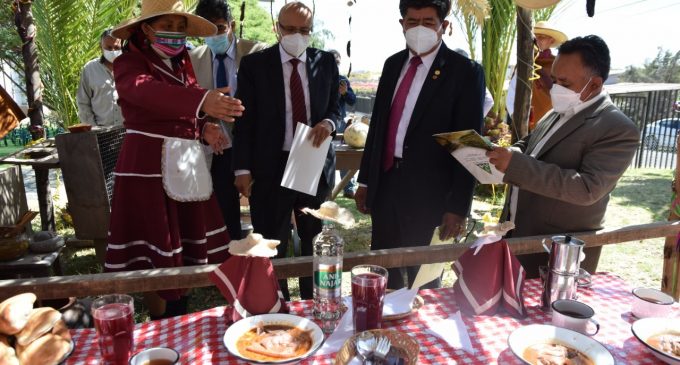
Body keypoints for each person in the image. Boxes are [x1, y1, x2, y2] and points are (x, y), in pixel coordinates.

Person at [106, 0, 245, 319]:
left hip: (186, 166)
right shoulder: (128, 63)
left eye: (182, 28)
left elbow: (185, 112)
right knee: (156, 253)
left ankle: (176, 319)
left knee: (181, 250)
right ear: (146, 28)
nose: (176, 35)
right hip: (146, 168)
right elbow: (146, 93)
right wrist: (202, 100)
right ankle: (159, 324)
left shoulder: (183, 62)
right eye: (169, 26)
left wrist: (204, 128)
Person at [354, 0, 485, 290]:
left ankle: (422, 334)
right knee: (382, 273)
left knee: (423, 282)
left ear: (444, 26)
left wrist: (458, 206)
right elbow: (377, 129)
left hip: (432, 196)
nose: (419, 28)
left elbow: (468, 145)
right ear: (402, 24)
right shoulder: (391, 65)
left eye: (428, 21)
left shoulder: (465, 72)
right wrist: (365, 181)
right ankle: (384, 330)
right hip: (387, 186)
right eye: (413, 21)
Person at [487, 35, 641, 279]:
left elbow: (586, 189)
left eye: (564, 83)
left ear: (594, 84)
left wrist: (515, 164)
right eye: (554, 80)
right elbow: (531, 145)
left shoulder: (617, 128)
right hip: (519, 235)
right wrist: (507, 153)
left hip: (558, 254)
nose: (555, 88)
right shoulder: (559, 111)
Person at [233, 1, 339, 300]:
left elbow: (336, 105)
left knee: (313, 238)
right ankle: (277, 301)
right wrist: (242, 168)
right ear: (277, 29)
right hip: (270, 166)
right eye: (290, 29)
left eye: (304, 30)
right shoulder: (255, 66)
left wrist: (330, 122)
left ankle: (314, 299)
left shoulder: (325, 63)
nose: (297, 36)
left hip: (312, 162)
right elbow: (245, 120)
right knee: (270, 239)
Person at [190, 0, 267, 240]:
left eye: (220, 28)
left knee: (264, 211)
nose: (214, 35)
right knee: (225, 214)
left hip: (255, 147)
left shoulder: (257, 52)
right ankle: (230, 262)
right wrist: (211, 110)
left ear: (232, 25)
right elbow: (191, 105)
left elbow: (270, 101)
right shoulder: (193, 59)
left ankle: (263, 264)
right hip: (220, 149)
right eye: (207, 31)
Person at [506, 21, 567, 131]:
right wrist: (517, 117)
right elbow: (512, 91)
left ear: (551, 40)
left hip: (555, 121)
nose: (537, 40)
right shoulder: (523, 64)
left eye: (542, 37)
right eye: (535, 37)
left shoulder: (558, 64)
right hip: (526, 123)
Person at [76, 29, 124, 127]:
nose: (113, 51)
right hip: (102, 131)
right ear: (100, 47)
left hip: (129, 130)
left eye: (116, 47)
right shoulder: (90, 69)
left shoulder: (131, 67)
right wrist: (93, 128)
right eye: (109, 48)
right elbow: (83, 103)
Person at [329, 49, 358, 198]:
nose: (335, 64)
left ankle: (349, 188)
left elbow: (353, 101)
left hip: (340, 122)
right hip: (323, 123)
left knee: (344, 155)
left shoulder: (343, 80)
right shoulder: (319, 77)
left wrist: (345, 92)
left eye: (337, 61)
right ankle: (326, 189)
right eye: (332, 60)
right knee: (324, 155)